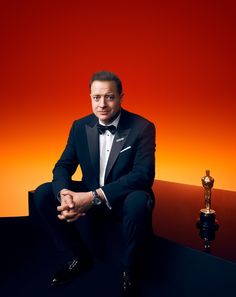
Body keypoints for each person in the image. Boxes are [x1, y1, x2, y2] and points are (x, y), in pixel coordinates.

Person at [34, 70, 156, 296]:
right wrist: (65, 196)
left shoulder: (143, 127)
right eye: (96, 97)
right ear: (90, 97)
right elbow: (63, 166)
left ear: (121, 97)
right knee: (42, 194)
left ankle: (130, 268)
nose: (102, 104)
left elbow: (143, 175)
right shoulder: (79, 126)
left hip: (121, 197)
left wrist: (93, 197)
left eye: (109, 97)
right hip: (89, 191)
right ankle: (79, 256)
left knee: (140, 200)